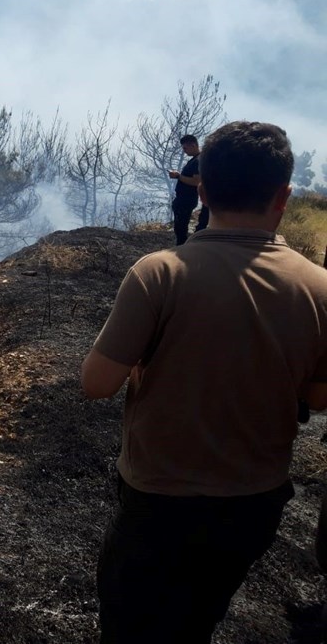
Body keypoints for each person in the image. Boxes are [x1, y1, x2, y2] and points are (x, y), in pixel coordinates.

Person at [81, 121, 327, 643]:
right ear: (284, 195)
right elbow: (321, 398)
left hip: (158, 498)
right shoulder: (320, 287)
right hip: (252, 502)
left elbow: (97, 383)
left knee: (129, 624)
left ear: (205, 191)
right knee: (197, 621)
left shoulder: (158, 273)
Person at [169, 134, 202, 244]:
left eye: (185, 148)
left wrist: (178, 176)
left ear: (193, 145)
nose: (184, 151)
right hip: (183, 199)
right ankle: (181, 246)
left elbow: (196, 182)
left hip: (186, 199)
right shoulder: (194, 160)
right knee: (179, 226)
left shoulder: (198, 161)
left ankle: (181, 248)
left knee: (181, 227)